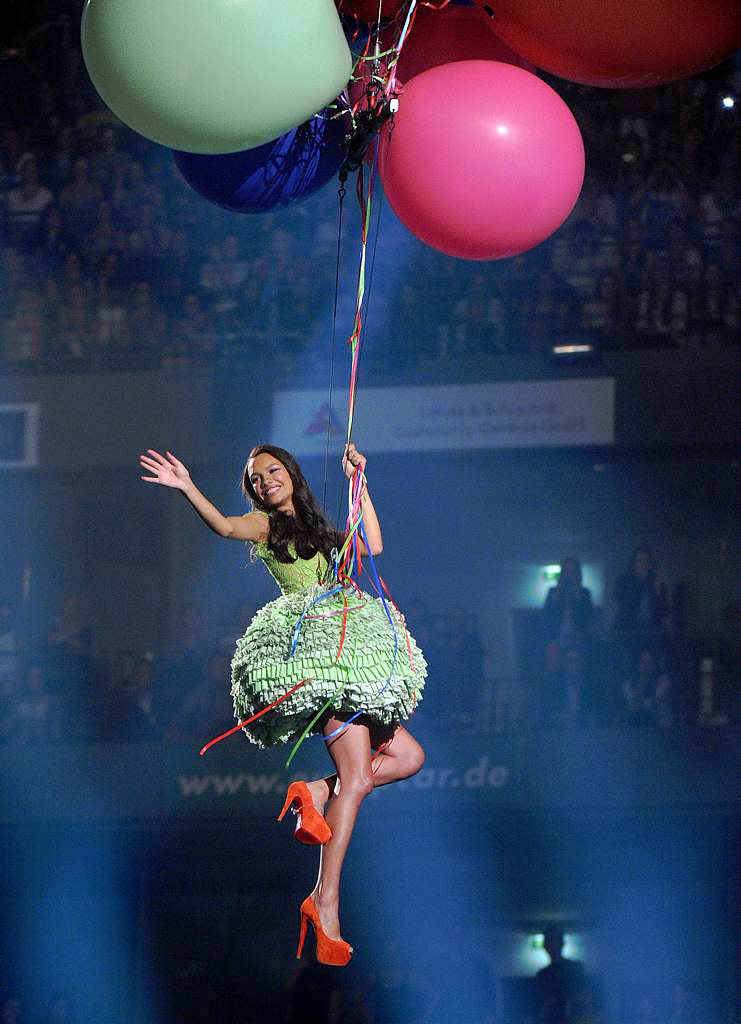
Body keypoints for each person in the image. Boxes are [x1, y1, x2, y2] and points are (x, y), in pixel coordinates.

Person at [139, 442, 427, 966]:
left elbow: (375, 545)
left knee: (409, 758)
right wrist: (186, 488)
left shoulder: (320, 528)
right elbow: (226, 528)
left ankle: (315, 790)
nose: (266, 481)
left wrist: (360, 479)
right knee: (359, 781)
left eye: (273, 471)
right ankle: (325, 899)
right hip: (322, 657)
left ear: (291, 474)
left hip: (354, 650)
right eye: (256, 478)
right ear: (252, 490)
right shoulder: (266, 527)